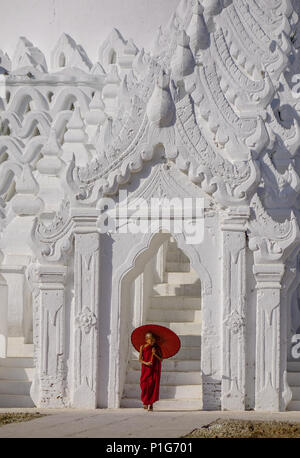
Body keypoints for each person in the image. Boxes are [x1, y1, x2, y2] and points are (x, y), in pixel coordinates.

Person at [139, 331, 163, 411]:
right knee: (144, 385)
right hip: (146, 369)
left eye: (153, 340)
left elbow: (161, 359)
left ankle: (151, 404)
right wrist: (146, 362)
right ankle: (145, 402)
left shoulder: (156, 348)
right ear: (146, 340)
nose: (152, 341)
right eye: (150, 340)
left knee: (152, 385)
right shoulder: (142, 347)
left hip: (154, 369)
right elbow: (140, 359)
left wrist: (155, 354)